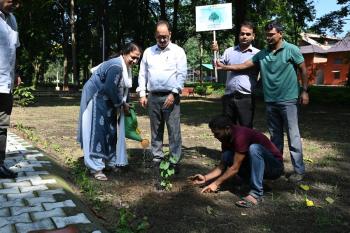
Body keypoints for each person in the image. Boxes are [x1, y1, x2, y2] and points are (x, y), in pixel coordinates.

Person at [216, 20, 309, 182]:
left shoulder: (292, 50)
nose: (269, 37)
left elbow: (303, 69)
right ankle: (276, 168)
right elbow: (245, 65)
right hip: (270, 101)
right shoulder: (263, 53)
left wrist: (305, 91)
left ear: (280, 34)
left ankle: (299, 170)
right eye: (267, 35)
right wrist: (225, 68)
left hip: (289, 100)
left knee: (293, 136)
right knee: (275, 137)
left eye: (272, 34)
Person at [77, 42, 142, 181]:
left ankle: (109, 162)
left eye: (137, 59)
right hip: (95, 99)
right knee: (97, 132)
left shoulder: (124, 67)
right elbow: (110, 88)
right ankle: (95, 168)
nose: (135, 61)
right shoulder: (116, 66)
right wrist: (121, 104)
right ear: (124, 53)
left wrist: (124, 103)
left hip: (108, 101)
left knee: (110, 131)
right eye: (133, 57)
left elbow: (122, 89)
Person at [189, 115, 284, 208]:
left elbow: (235, 168)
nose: (215, 136)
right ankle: (249, 181)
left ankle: (256, 194)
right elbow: (222, 166)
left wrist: (215, 183)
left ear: (227, 128)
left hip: (274, 168)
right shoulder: (226, 138)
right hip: (259, 166)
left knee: (254, 148)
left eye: (217, 133)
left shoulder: (241, 136)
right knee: (227, 155)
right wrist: (205, 178)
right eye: (214, 133)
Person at [137, 20, 187, 172]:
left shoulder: (178, 51)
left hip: (171, 96)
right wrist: (142, 94)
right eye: (159, 37)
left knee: (174, 130)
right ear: (155, 36)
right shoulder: (148, 52)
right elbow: (142, 74)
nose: (162, 39)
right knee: (156, 129)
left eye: (165, 36)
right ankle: (157, 157)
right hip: (153, 96)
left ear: (170, 34)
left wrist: (174, 93)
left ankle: (174, 160)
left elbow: (181, 74)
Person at [212, 21, 259, 128]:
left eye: (248, 34)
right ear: (238, 35)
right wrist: (216, 52)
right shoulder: (229, 51)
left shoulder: (258, 54)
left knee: (246, 129)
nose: (244, 36)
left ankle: (245, 146)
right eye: (242, 34)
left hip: (246, 98)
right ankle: (229, 146)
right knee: (227, 129)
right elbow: (218, 65)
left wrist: (257, 86)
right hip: (229, 96)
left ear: (253, 36)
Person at [0, 0, 21, 179]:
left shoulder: (12, 20)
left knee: (1, 126)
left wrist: (16, 73)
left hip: (5, 83)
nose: (16, 4)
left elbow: (14, 50)